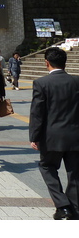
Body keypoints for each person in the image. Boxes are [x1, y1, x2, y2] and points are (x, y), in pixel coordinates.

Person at [29, 47, 79, 220]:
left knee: (47, 166)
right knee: (74, 172)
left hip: (51, 137)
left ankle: (63, 205)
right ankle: (74, 209)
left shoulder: (41, 83)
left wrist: (34, 136)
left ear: (46, 62)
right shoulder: (77, 81)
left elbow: (37, 113)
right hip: (75, 136)